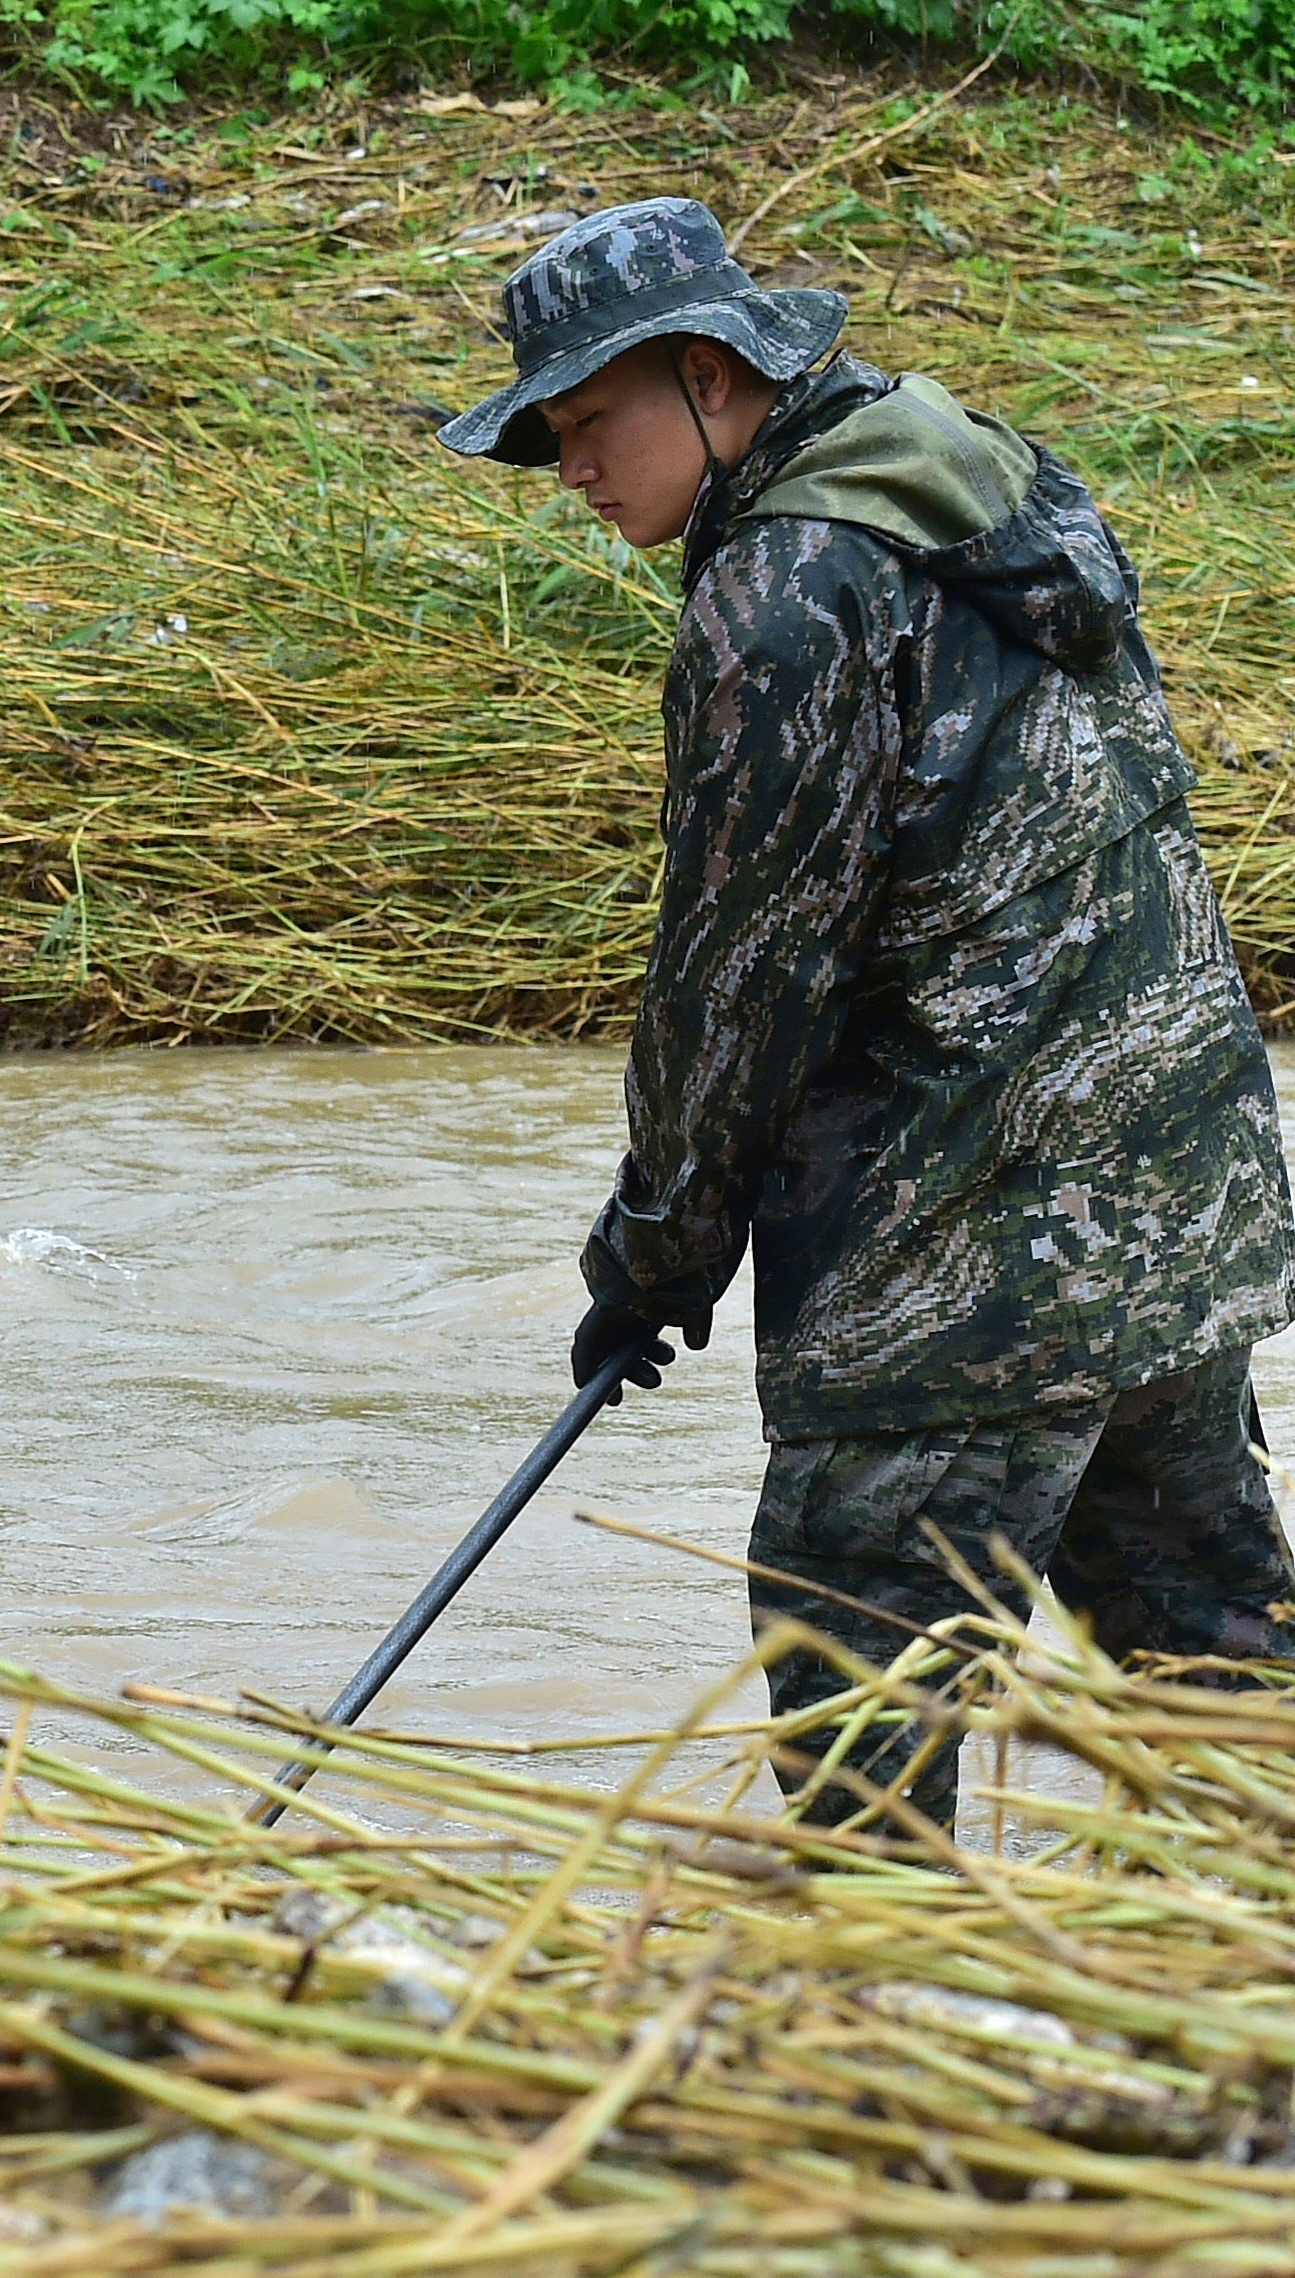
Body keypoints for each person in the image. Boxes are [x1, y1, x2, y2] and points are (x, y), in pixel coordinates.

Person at [444, 197, 1295, 1833]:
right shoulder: (978, 484)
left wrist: (653, 1249)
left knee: (858, 1714)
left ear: (704, 371)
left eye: (584, 422)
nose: (566, 470)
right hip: (1170, 1197)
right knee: (1221, 1682)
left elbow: (743, 971)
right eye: (543, 437)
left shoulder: (781, 595)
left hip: (963, 1255)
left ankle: (868, 2053)